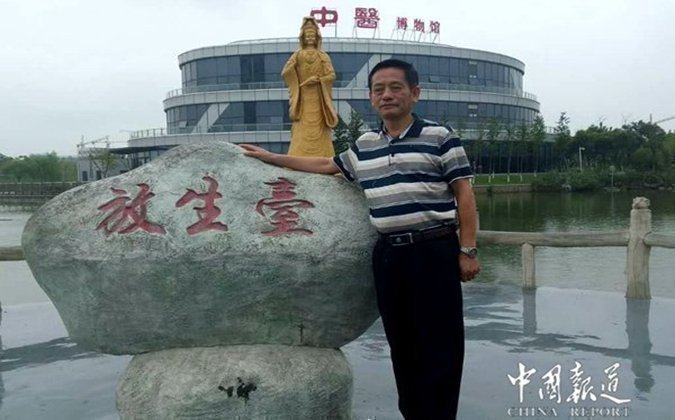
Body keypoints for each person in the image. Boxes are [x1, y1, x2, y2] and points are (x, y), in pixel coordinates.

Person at [241, 58, 480, 419]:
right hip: (388, 256)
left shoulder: (440, 137)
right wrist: (274, 158)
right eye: (378, 89)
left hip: (433, 249)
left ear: (415, 93)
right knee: (402, 343)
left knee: (441, 344)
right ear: (371, 98)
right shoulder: (365, 144)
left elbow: (464, 193)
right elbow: (327, 165)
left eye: (395, 87)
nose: (387, 95)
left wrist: (468, 250)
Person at [281, 17, 339, 157]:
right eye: (307, 35)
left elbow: (331, 75)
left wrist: (319, 80)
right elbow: (286, 72)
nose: (310, 38)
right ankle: (297, 156)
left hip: (319, 98)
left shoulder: (322, 56)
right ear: (303, 37)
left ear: (317, 37)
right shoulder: (298, 55)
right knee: (301, 125)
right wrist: (292, 70)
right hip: (303, 98)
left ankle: (324, 156)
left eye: (313, 35)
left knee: (320, 126)